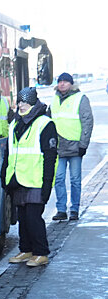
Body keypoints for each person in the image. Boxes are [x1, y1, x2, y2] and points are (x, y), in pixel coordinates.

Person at [1, 87, 58, 267]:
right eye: (19, 102)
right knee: (23, 219)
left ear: (34, 104)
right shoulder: (14, 125)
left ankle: (41, 252)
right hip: (18, 178)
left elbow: (50, 157)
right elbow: (8, 153)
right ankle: (26, 250)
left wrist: (47, 184)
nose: (21, 105)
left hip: (35, 180)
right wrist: (4, 176)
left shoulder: (45, 123)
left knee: (34, 218)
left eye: (26, 102)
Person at [48, 73, 94, 221]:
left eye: (65, 82)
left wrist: (83, 144)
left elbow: (87, 121)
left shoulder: (81, 98)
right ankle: (61, 209)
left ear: (71, 84)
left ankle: (74, 209)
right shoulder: (54, 99)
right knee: (59, 179)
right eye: (60, 81)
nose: (62, 84)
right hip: (58, 146)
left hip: (75, 147)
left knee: (75, 180)